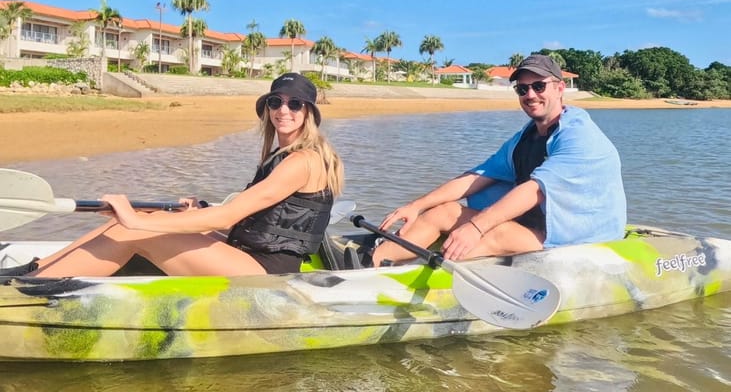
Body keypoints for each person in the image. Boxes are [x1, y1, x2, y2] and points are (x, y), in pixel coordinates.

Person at [7, 73, 344, 277]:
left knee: (133, 230)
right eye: (275, 102)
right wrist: (195, 215)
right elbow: (254, 221)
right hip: (244, 251)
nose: (282, 111)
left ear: (308, 113)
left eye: (294, 104)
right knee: (136, 218)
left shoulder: (302, 162)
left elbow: (231, 212)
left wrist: (136, 223)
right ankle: (38, 268)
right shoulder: (279, 156)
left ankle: (31, 291)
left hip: (264, 271)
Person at [372, 54, 626, 266]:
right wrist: (417, 206)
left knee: (496, 233)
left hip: (576, 234)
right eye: (522, 89)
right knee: (443, 212)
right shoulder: (525, 138)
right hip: (537, 224)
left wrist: (475, 227)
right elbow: (478, 176)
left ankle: (419, 277)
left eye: (539, 86)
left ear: (560, 88)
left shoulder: (580, 137)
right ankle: (370, 265)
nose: (530, 94)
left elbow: (534, 190)